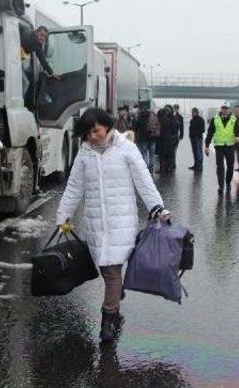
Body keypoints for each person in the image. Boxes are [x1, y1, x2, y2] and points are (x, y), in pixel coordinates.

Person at [56, 108, 170, 343]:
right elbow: (74, 187)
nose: (92, 136)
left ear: (107, 126)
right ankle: (115, 301)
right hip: (96, 222)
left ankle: (108, 321)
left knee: (111, 271)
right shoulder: (84, 153)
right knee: (106, 269)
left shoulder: (126, 148)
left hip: (121, 220)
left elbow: (143, 180)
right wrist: (63, 216)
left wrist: (156, 207)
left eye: (96, 130)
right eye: (88, 132)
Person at [205, 103, 239, 193]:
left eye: (226, 108)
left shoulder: (234, 119)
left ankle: (228, 183)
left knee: (230, 166)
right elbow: (210, 133)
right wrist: (206, 145)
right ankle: (221, 185)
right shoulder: (215, 119)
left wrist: (238, 136)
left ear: (229, 109)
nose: (225, 110)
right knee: (220, 166)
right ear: (221, 109)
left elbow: (238, 131)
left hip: (230, 146)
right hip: (219, 146)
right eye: (223, 108)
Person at [133, 102, 158, 173]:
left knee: (145, 154)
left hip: (142, 139)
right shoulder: (153, 118)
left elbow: (135, 129)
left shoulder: (139, 119)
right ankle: (151, 168)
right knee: (152, 154)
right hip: (152, 138)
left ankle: (146, 168)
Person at [157, 106, 180, 174]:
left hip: (160, 139)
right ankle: (167, 169)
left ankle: (162, 169)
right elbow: (175, 128)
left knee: (161, 155)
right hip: (168, 139)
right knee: (168, 155)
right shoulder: (169, 119)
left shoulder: (159, 120)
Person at [172, 104, 184, 169]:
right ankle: (172, 163)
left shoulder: (180, 117)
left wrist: (181, 135)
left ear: (178, 109)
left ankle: (173, 164)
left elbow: (182, 127)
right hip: (171, 135)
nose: (175, 109)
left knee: (174, 150)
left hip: (176, 135)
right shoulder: (171, 116)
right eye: (175, 108)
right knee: (172, 150)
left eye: (176, 108)